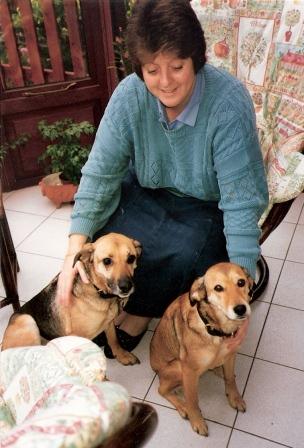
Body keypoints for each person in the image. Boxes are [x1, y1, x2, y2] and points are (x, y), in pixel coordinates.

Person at [56, 0, 269, 356]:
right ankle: (116, 298)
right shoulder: (129, 94)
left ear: (196, 60)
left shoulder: (229, 104)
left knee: (186, 254)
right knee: (105, 234)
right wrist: (71, 254)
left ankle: (139, 313)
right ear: (139, 68)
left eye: (177, 67)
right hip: (148, 188)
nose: (166, 82)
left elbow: (242, 202)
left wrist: (240, 291)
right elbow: (100, 173)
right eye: (152, 70)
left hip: (207, 203)